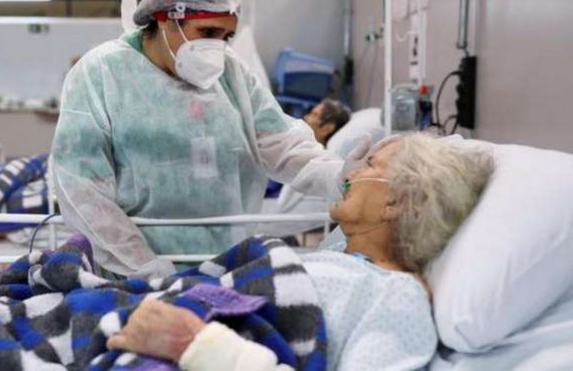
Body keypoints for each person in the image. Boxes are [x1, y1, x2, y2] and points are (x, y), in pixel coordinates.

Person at [52, 0, 353, 280]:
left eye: (226, 37)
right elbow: (82, 188)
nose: (216, 48)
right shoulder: (102, 73)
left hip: (224, 263)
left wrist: (342, 175)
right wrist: (144, 268)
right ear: (167, 19)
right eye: (207, 31)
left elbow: (283, 146)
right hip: (130, 273)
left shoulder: (231, 74)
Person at [106, 133, 494, 370]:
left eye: (370, 165)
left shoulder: (396, 298)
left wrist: (193, 345)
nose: (352, 174)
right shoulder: (334, 256)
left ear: (395, 201)